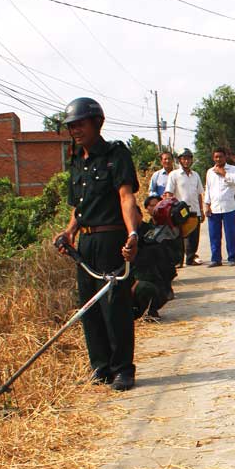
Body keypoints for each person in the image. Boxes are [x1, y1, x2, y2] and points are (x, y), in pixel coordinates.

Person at [52, 97, 140, 391]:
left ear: (97, 123)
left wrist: (133, 235)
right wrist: (69, 233)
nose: (75, 130)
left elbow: (126, 197)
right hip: (86, 244)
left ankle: (123, 370)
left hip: (111, 239)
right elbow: (78, 209)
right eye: (71, 126)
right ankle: (100, 367)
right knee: (89, 308)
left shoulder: (116, 155)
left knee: (114, 307)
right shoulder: (77, 161)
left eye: (80, 124)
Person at [164, 148, 204, 266]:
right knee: (179, 237)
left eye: (188, 158)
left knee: (194, 237)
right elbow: (169, 193)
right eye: (184, 158)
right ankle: (178, 261)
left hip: (194, 210)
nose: (186, 161)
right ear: (179, 160)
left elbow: (199, 194)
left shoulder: (195, 175)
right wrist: (169, 210)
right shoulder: (174, 175)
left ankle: (191, 258)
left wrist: (201, 210)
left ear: (192, 160)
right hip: (179, 212)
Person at [203, 146, 235, 267]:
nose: (218, 159)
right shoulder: (210, 172)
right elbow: (208, 189)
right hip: (214, 207)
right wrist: (206, 205)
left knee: (230, 234)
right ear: (213, 158)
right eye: (216, 157)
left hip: (228, 206)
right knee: (214, 235)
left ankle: (232, 257)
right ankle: (216, 259)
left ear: (225, 157)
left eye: (220, 156)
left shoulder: (232, 169)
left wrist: (223, 173)